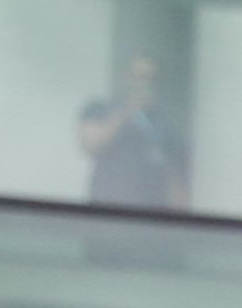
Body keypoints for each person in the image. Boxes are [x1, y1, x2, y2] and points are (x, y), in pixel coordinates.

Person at [75, 55, 179, 211]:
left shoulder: (164, 124)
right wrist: (128, 109)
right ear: (126, 78)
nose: (144, 84)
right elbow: (90, 144)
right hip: (108, 210)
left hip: (153, 214)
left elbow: (175, 174)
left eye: (151, 79)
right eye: (139, 77)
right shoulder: (100, 109)